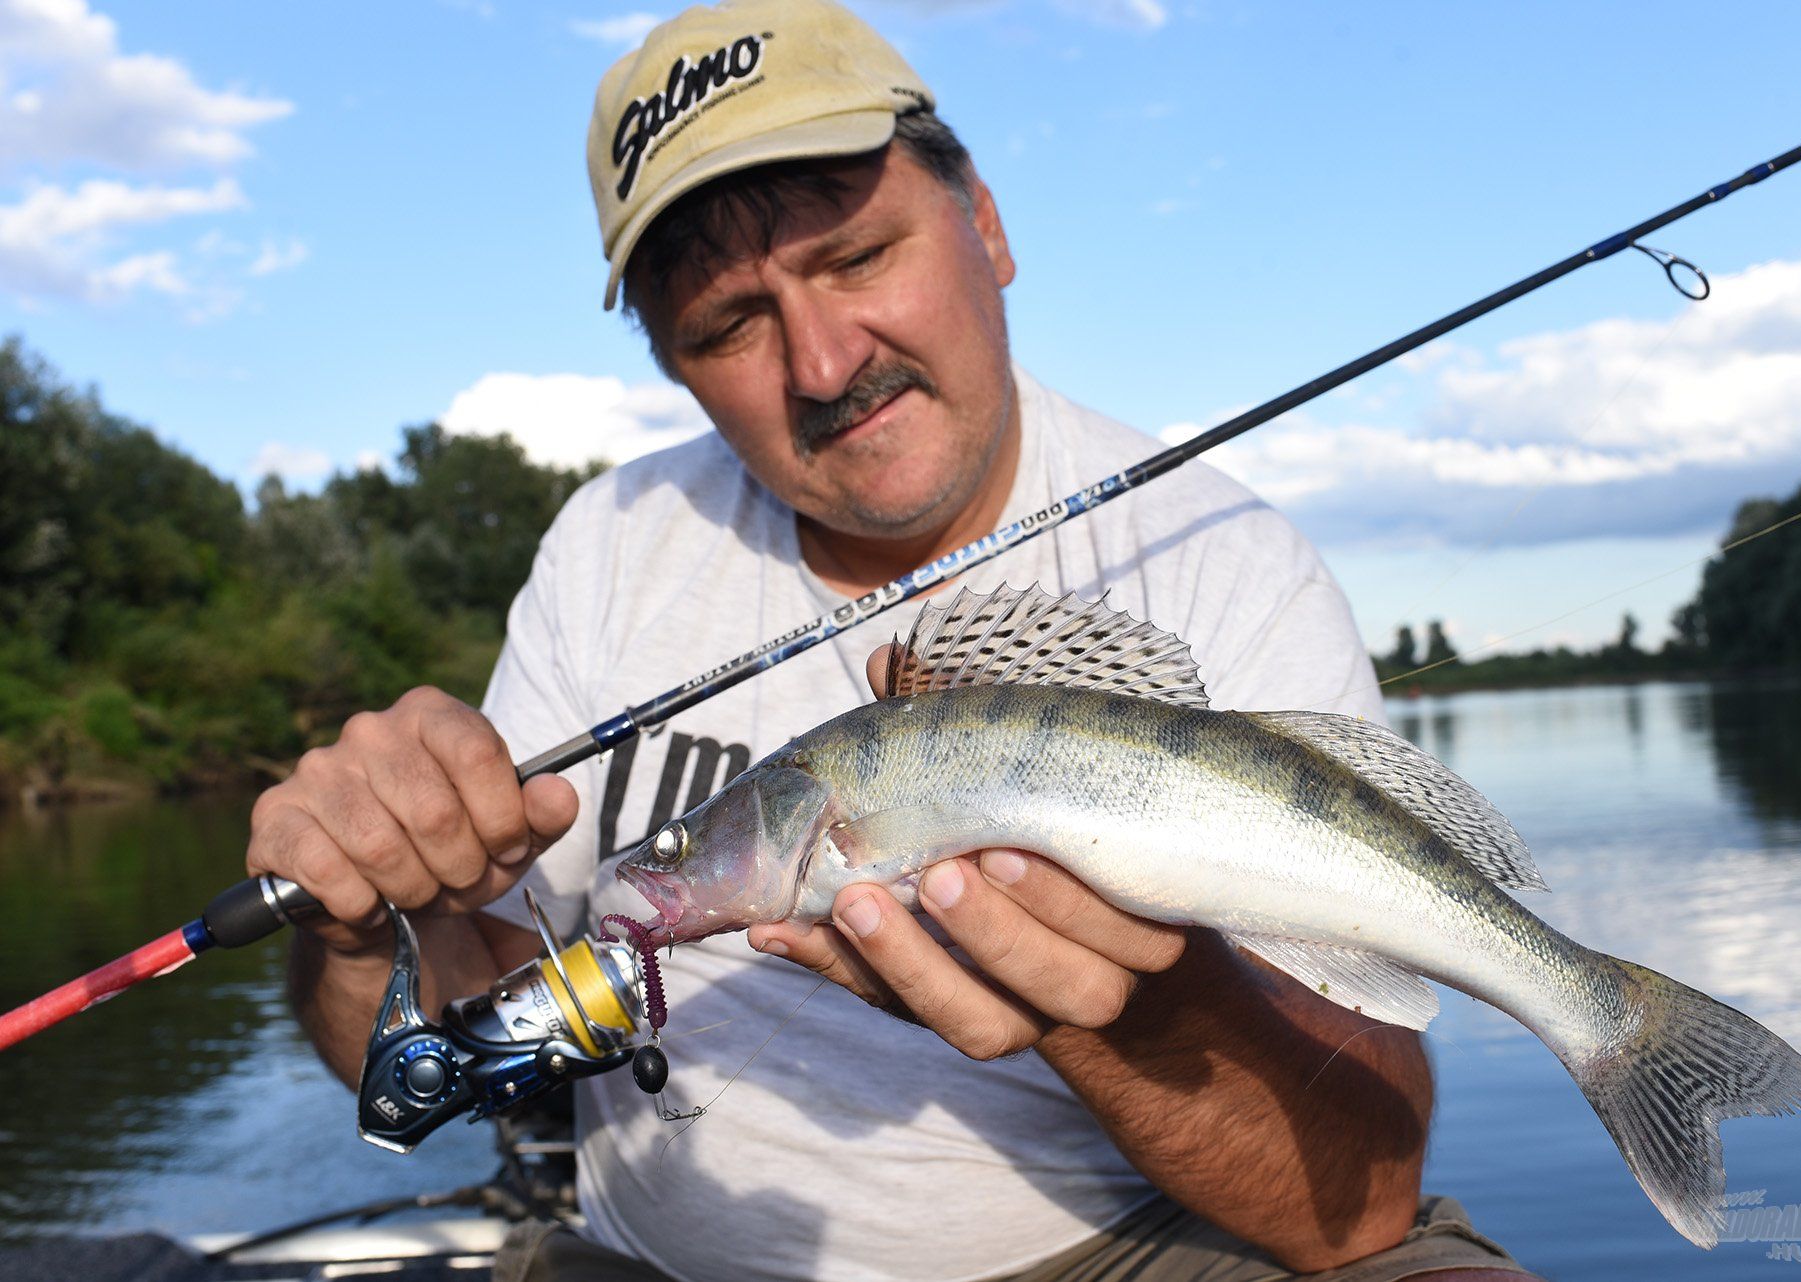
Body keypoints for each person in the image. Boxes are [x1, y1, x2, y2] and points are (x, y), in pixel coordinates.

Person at [248, 3, 1537, 1279]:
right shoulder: (611, 542)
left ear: (985, 220)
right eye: (727, 325)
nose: (820, 362)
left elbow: (1359, 1206)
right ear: (670, 365)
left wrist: (1138, 1003)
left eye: (858, 256)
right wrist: (363, 930)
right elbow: (463, 1045)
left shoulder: (1224, 559)